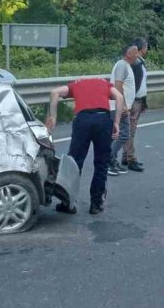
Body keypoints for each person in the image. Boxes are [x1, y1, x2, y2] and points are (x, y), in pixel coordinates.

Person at [46, 78, 125, 215]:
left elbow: (54, 92)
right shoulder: (105, 84)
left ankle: (68, 204)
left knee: (75, 163)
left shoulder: (77, 85)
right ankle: (96, 204)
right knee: (101, 163)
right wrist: (116, 122)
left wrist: (53, 117)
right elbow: (119, 96)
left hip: (82, 121)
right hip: (103, 119)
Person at [108, 43, 138, 176]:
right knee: (124, 134)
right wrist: (124, 105)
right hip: (118, 107)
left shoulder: (127, 66)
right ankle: (109, 159)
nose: (137, 54)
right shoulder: (122, 65)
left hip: (119, 106)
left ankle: (110, 160)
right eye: (135, 52)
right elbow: (118, 85)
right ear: (128, 54)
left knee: (115, 135)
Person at [123, 37, 148, 172]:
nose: (147, 49)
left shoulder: (138, 62)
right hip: (134, 101)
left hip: (136, 100)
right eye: (146, 47)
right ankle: (131, 158)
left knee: (129, 131)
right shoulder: (137, 63)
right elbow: (136, 85)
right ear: (141, 48)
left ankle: (125, 156)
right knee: (130, 131)